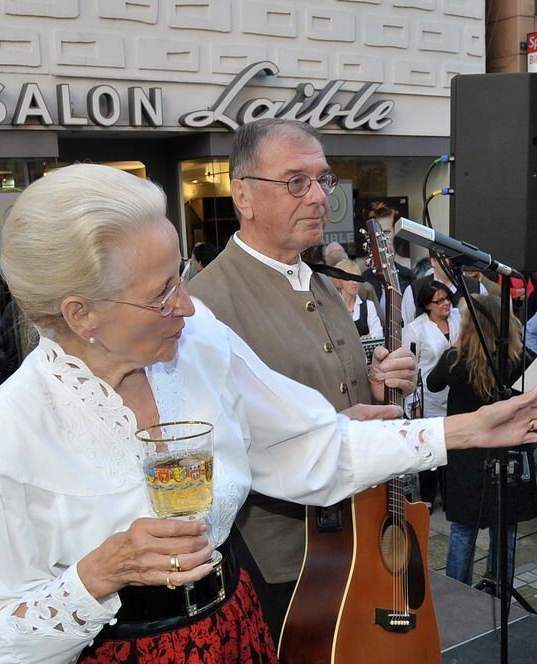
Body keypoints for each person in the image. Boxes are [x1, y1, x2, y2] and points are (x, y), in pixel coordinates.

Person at [0, 163, 537, 663]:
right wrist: (98, 575)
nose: (186, 304)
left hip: (237, 629)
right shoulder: (0, 441)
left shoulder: (199, 341)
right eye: (160, 295)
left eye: (180, 276)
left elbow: (308, 447)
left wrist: (465, 429)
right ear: (81, 316)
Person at [186, 119, 425, 641]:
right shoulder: (205, 304)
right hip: (281, 562)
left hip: (355, 538)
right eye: (297, 181)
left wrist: (379, 383)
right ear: (243, 195)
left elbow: (343, 388)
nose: (319, 197)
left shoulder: (320, 280)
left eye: (323, 180)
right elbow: (207, 449)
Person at [428, 295, 537, 589]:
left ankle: (457, 592)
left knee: (464, 529)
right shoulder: (519, 359)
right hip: (508, 451)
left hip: (467, 453)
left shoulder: (455, 360)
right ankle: (498, 588)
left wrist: (456, 346)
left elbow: (432, 383)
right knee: (505, 529)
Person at [403, 280, 461, 509]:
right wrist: (412, 400)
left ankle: (451, 495)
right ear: (428, 305)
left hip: (455, 393)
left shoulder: (458, 318)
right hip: (428, 395)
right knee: (429, 444)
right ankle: (427, 497)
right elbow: (411, 367)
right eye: (439, 301)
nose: (446, 304)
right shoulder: (415, 329)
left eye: (447, 298)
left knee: (453, 444)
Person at [332, 258, 382, 339]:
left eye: (356, 278)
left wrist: (369, 337)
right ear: (339, 280)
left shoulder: (369, 306)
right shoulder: (332, 306)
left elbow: (378, 334)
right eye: (350, 279)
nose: (355, 282)